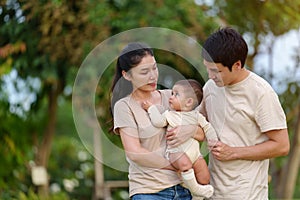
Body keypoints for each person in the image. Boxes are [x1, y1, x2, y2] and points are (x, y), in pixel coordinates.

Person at [199, 27, 290, 200]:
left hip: (247, 194)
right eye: (208, 69)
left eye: (216, 71)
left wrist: (233, 152)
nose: (210, 76)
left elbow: (282, 145)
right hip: (212, 193)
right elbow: (199, 124)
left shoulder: (261, 93)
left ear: (237, 65)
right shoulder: (211, 87)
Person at [111, 42, 206, 200]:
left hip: (184, 190)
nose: (153, 76)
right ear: (126, 75)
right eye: (144, 72)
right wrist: (177, 165)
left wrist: (188, 130)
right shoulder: (124, 106)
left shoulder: (172, 96)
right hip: (150, 192)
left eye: (154, 68)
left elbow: (201, 133)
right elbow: (135, 152)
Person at [142, 79, 218, 199]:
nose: (171, 97)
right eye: (172, 93)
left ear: (188, 102)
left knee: (204, 176)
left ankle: (197, 195)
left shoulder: (196, 116)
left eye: (176, 94)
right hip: (176, 153)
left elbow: (208, 128)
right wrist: (151, 108)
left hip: (195, 155)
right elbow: (158, 122)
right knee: (185, 164)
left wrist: (213, 141)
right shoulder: (169, 114)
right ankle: (195, 189)